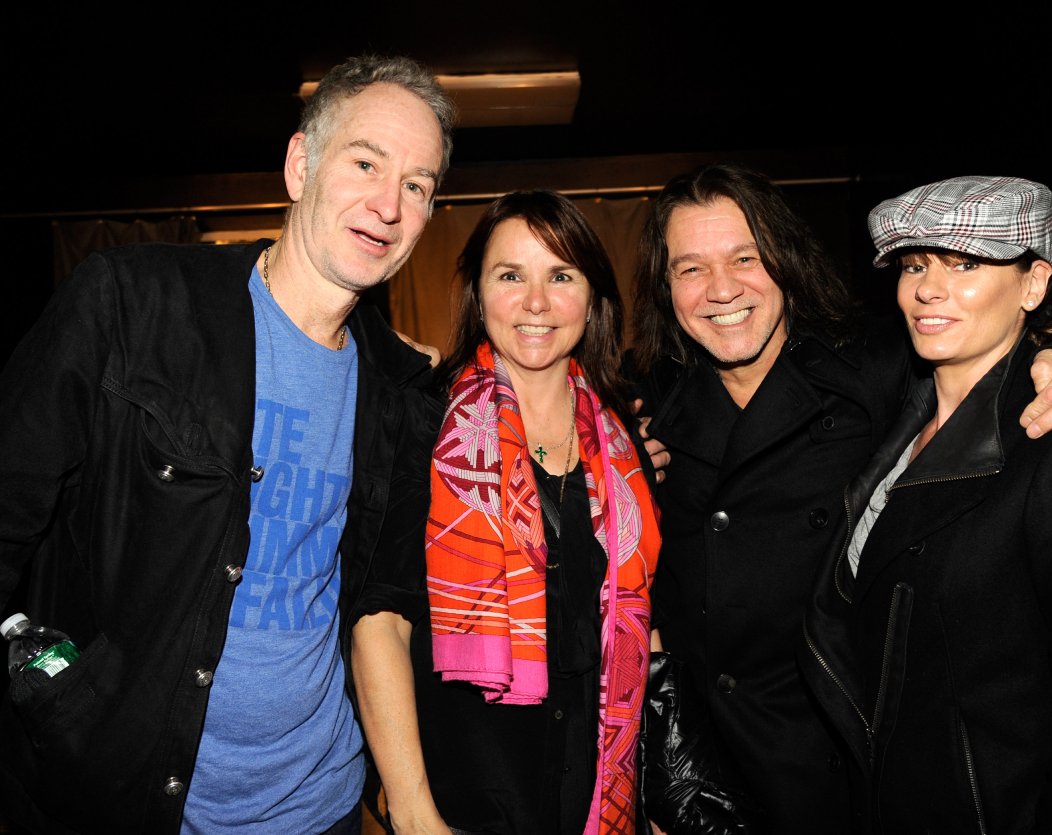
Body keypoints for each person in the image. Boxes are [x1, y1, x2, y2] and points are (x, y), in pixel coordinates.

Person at [0, 53, 455, 833]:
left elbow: (379, 601)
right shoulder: (131, 307)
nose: (388, 204)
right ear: (300, 164)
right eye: (365, 162)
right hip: (126, 800)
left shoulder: (400, 389)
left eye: (417, 186)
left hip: (322, 803)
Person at [627, 163, 1052, 833]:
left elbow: (984, 355)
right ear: (664, 286)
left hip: (843, 777)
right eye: (689, 268)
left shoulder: (874, 369)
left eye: (745, 258)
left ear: (783, 260)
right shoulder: (651, 404)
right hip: (712, 777)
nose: (720, 288)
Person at [802, 175, 1052, 833]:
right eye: (914, 264)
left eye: (966, 263)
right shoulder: (899, 415)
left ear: (1032, 284)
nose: (927, 288)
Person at [350, 190, 662, 835]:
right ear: (478, 293)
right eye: (511, 275)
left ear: (593, 296)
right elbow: (379, 624)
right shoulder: (425, 425)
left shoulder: (624, 446)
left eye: (561, 275)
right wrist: (414, 816)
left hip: (597, 797)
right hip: (466, 800)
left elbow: (645, 623)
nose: (537, 303)